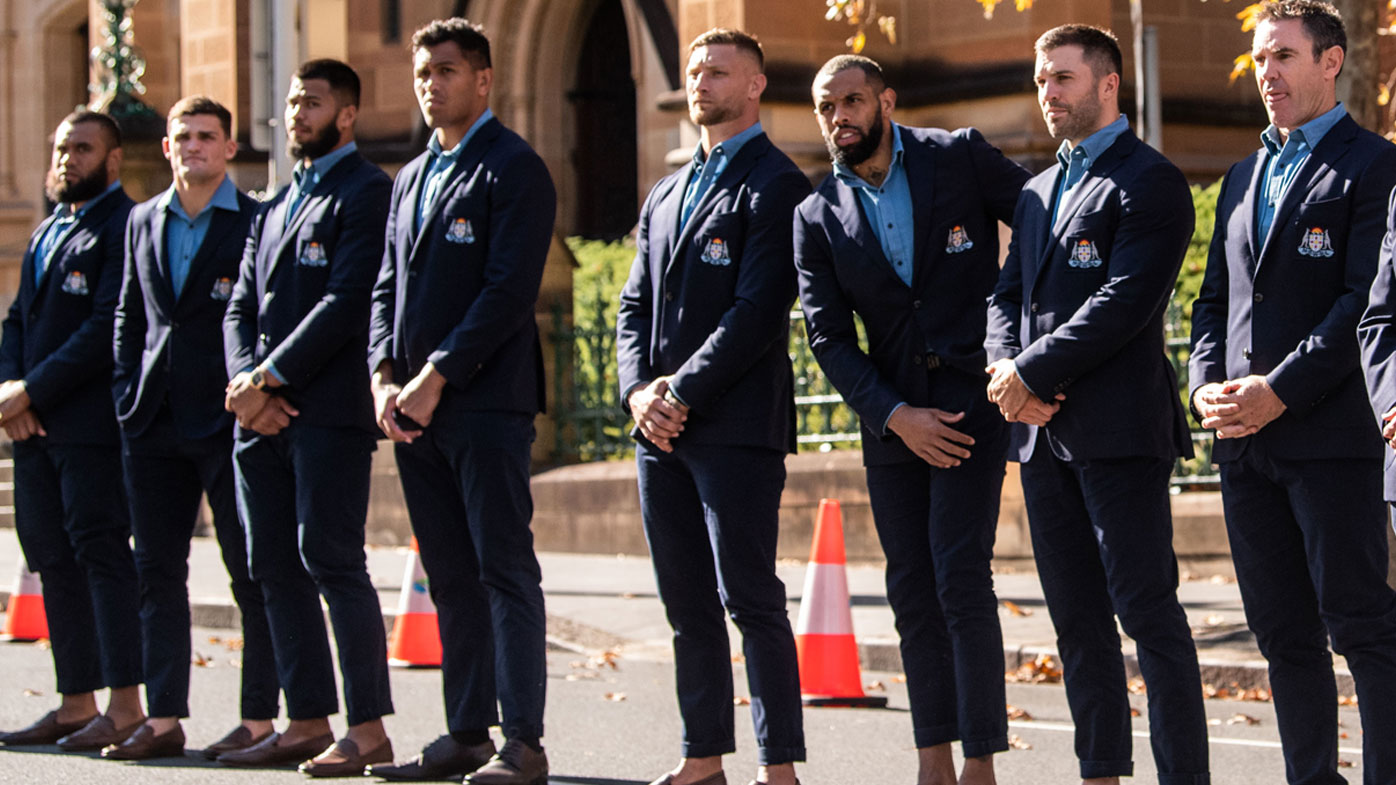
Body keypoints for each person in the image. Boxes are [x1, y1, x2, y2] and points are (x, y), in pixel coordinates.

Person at [792, 54, 1029, 785]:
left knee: (960, 576)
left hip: (969, 403)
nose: (840, 117)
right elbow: (828, 337)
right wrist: (895, 415)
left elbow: (1043, 223)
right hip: (892, 418)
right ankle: (933, 761)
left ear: (885, 101)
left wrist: (1015, 338)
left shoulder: (957, 156)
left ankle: (980, 760)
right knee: (910, 587)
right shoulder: (814, 215)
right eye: (827, 106)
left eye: (852, 101)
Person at [984, 24, 1210, 785]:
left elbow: (1124, 301)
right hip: (1041, 440)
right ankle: (1100, 771)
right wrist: (1002, 368)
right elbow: (1006, 294)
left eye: (1064, 78)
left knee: (1148, 616)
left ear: (1108, 84)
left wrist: (1030, 373)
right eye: (1041, 79)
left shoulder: (1150, 180)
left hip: (1119, 434)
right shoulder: (1035, 191)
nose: (1047, 93)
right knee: (1077, 623)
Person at [1193, 1, 1396, 782]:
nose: (1266, 72)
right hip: (1245, 447)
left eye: (1283, 55)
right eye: (1259, 58)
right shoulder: (1242, 175)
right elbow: (1213, 303)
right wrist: (1204, 386)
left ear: (1331, 61)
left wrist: (1279, 389)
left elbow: (1363, 304)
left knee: (1362, 626)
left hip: (1333, 440)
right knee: (1282, 634)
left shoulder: (1374, 166)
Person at [616, 27, 809, 785]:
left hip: (735, 428)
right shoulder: (666, 190)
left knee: (750, 599)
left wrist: (679, 391)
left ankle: (777, 766)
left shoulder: (776, 183)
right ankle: (702, 759)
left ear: (755, 85)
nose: (700, 81)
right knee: (686, 605)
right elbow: (633, 306)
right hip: (658, 431)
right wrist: (639, 391)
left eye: (718, 71)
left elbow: (756, 312)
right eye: (695, 70)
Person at [365, 18, 555, 785]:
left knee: (503, 570)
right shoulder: (411, 176)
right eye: (423, 73)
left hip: (485, 404)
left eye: (445, 71)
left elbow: (508, 291)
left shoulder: (515, 167)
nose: (430, 84)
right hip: (414, 412)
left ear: (482, 79)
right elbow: (385, 287)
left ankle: (524, 742)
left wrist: (437, 373)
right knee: (447, 574)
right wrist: (383, 374)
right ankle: (467, 731)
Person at [220, 58, 396, 776]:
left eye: (313, 103)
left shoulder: (367, 191)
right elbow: (240, 305)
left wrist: (269, 378)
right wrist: (244, 384)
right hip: (258, 420)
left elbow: (347, 300)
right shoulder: (274, 202)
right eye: (294, 101)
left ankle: (368, 728)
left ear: (346, 115)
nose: (297, 113)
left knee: (331, 560)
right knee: (271, 567)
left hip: (327, 413)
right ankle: (307, 718)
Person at [101, 96, 279, 761]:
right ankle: (163, 715)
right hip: (151, 419)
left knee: (249, 572)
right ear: (167, 147)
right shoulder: (142, 219)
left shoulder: (256, 220)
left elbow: (262, 315)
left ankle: (257, 719)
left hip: (228, 420)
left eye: (207, 136)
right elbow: (129, 315)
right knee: (156, 571)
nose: (194, 146)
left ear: (230, 147)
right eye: (184, 136)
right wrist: (126, 391)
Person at [0, 111, 145, 753]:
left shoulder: (124, 225)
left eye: (82, 149)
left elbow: (104, 329)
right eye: (62, 148)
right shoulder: (49, 228)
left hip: (90, 429)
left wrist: (32, 391)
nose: (68, 159)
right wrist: (10, 391)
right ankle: (75, 702)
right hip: (34, 429)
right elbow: (15, 321)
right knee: (52, 560)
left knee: (102, 557)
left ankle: (126, 705)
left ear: (112, 160)